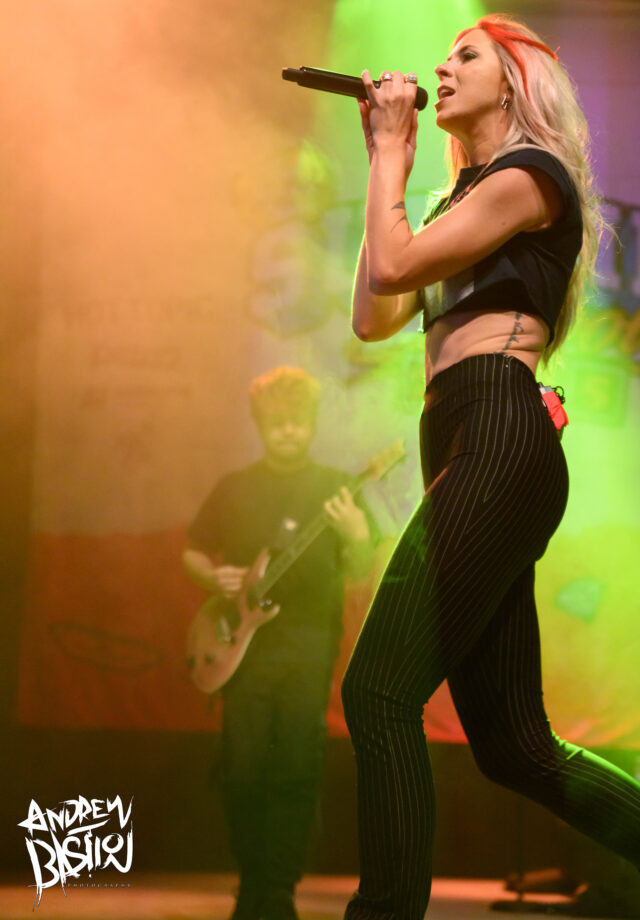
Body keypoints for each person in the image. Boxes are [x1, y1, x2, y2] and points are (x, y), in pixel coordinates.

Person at [341, 14, 640, 919]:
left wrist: (391, 150)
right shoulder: (458, 201)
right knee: (513, 747)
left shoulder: (529, 177)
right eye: (444, 54)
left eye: (466, 56)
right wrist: (387, 159)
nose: (441, 67)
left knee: (376, 693)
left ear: (515, 83)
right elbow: (373, 315)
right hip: (459, 430)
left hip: (498, 426)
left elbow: (394, 269)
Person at [183, 366, 376, 920]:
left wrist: (358, 535)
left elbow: (361, 568)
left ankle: (278, 891)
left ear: (312, 423)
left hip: (308, 644)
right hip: (241, 650)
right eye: (277, 422)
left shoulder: (336, 487)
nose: (288, 430)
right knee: (242, 768)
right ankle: (251, 883)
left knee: (295, 769)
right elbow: (193, 550)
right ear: (260, 423)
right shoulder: (235, 487)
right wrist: (212, 577)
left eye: (298, 421)